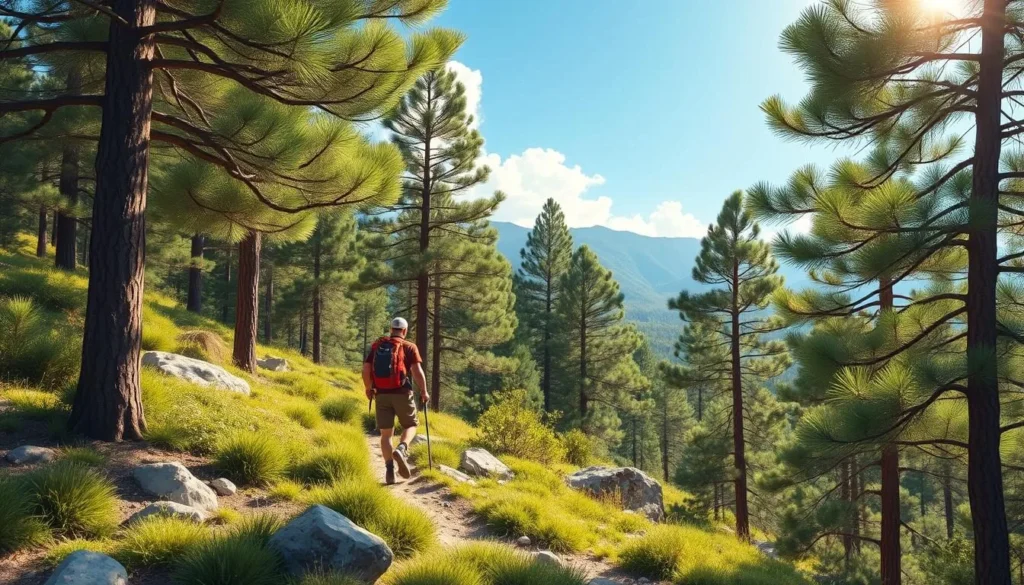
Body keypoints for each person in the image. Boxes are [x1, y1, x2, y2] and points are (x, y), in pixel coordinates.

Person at [363, 317, 429, 485]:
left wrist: (368, 388)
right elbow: (417, 371)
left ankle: (389, 470)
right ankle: (402, 448)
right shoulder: (409, 347)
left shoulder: (378, 346)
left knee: (386, 435)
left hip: (381, 395)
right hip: (402, 393)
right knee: (411, 425)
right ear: (405, 331)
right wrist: (424, 391)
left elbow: (366, 368)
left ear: (391, 329)